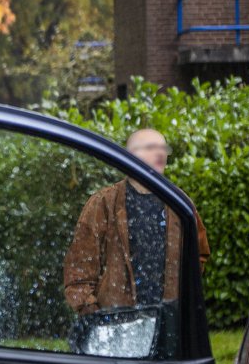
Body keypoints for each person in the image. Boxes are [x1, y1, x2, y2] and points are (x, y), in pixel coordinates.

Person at [63, 128, 211, 317]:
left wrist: (179, 298)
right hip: (116, 325)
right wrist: (96, 315)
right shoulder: (103, 204)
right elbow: (79, 270)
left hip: (167, 324)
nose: (160, 153)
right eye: (151, 147)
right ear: (130, 155)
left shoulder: (179, 202)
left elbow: (199, 254)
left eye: (163, 147)